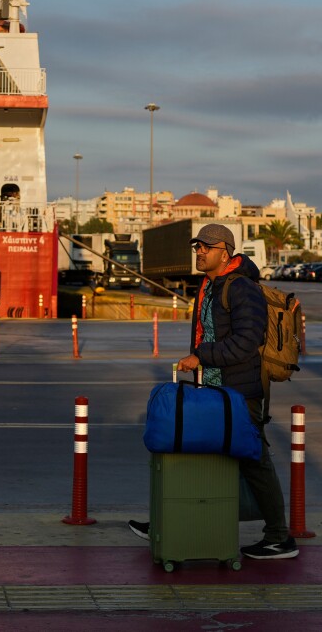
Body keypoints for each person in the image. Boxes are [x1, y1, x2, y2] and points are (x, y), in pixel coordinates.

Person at [127, 223, 298, 560]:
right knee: (197, 453)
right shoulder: (208, 285)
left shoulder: (242, 288)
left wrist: (201, 356)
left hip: (241, 393)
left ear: (226, 252)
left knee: (255, 460)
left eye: (207, 247)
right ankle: (167, 520)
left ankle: (279, 537)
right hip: (213, 389)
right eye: (198, 246)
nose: (200, 252)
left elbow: (247, 342)